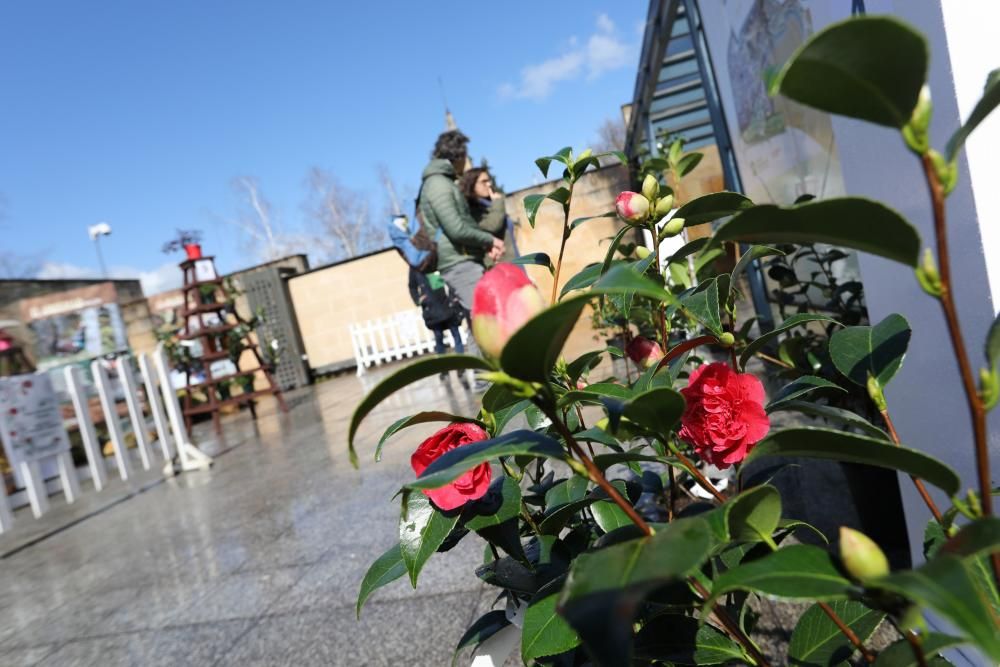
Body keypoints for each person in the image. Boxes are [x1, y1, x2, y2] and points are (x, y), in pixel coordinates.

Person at [418, 131, 504, 323]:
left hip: (464, 259)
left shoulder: (445, 182)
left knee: (478, 326)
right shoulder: (438, 184)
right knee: (488, 322)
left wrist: (483, 245)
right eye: (465, 154)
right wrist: (490, 239)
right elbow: (456, 228)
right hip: (459, 264)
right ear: (458, 155)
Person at [407, 268, 467, 385]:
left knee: (456, 335)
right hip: (432, 308)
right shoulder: (415, 267)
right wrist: (419, 300)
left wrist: (453, 295)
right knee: (439, 338)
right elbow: (412, 286)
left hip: (447, 304)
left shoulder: (436, 258)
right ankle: (443, 369)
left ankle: (461, 366)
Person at [459, 167, 509, 261]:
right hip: (495, 264)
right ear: (472, 184)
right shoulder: (469, 211)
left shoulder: (488, 205)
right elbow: (493, 225)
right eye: (484, 181)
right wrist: (498, 202)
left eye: (489, 181)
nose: (489, 184)